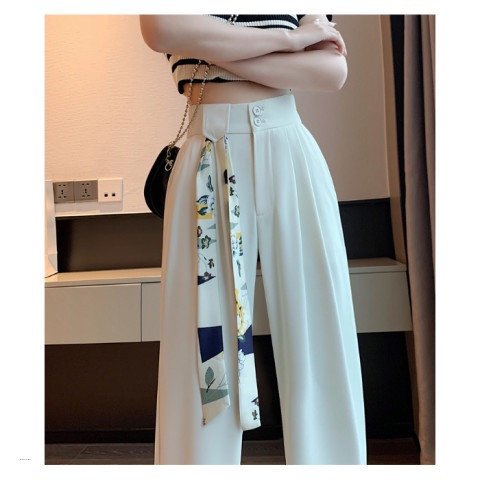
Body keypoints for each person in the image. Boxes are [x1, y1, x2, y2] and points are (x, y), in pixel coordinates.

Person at [139, 14, 366, 465]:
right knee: (201, 351)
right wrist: (291, 41)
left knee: (319, 333)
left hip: (290, 150)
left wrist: (210, 47)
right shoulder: (293, 32)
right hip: (207, 151)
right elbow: (160, 28)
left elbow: (330, 71)